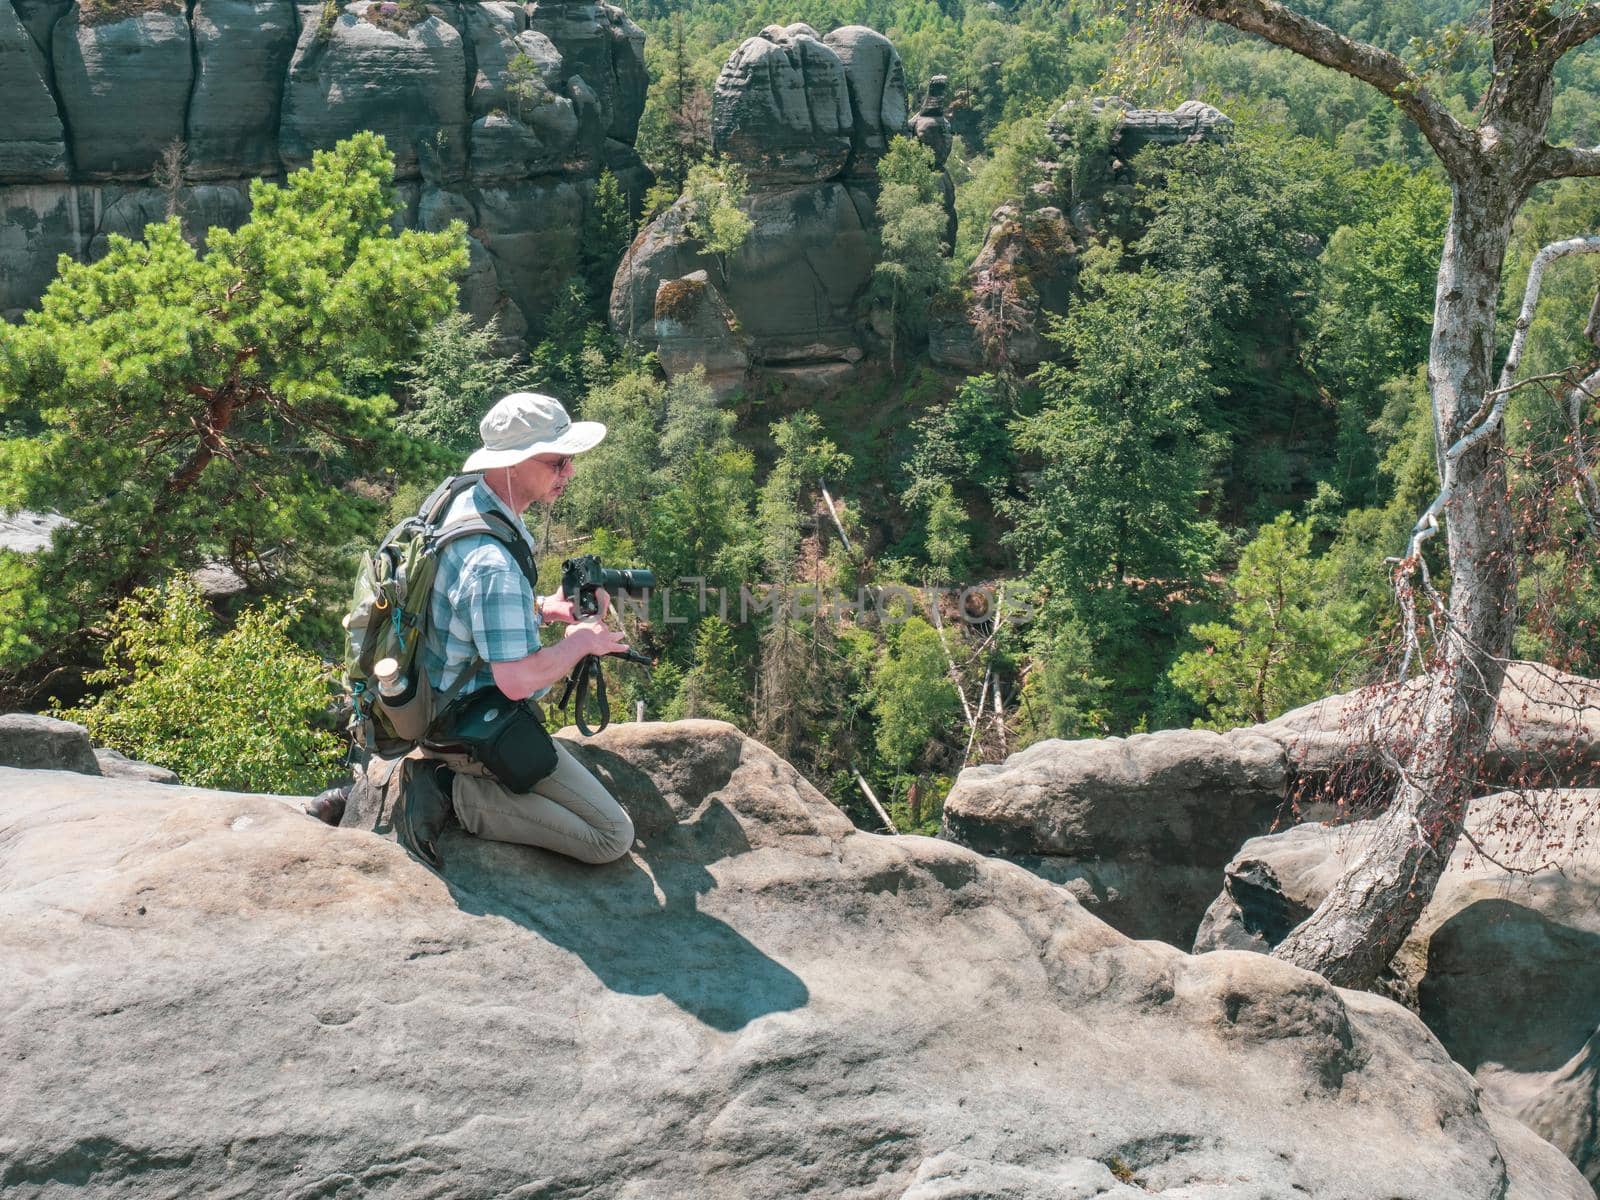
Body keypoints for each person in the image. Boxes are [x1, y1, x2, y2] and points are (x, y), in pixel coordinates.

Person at [415, 391, 636, 865]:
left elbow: (470, 611)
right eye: (558, 462)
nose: (569, 472)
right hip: (468, 722)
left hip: (438, 695)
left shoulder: (468, 501)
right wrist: (579, 644)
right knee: (610, 836)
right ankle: (448, 790)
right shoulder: (492, 560)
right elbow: (516, 681)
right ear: (513, 463)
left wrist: (546, 609)